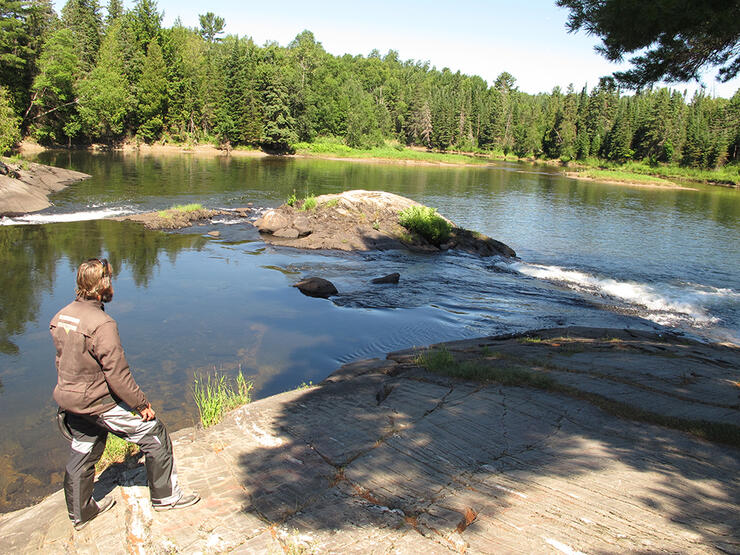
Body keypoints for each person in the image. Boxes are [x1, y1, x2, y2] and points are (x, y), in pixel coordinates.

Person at [50, 258, 199, 530]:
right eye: (110, 280)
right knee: (155, 434)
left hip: (69, 401)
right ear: (102, 287)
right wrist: (141, 404)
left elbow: (62, 361)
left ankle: (81, 513)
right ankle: (166, 497)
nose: (113, 285)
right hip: (97, 403)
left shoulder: (61, 316)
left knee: (84, 449)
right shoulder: (102, 323)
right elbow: (117, 374)